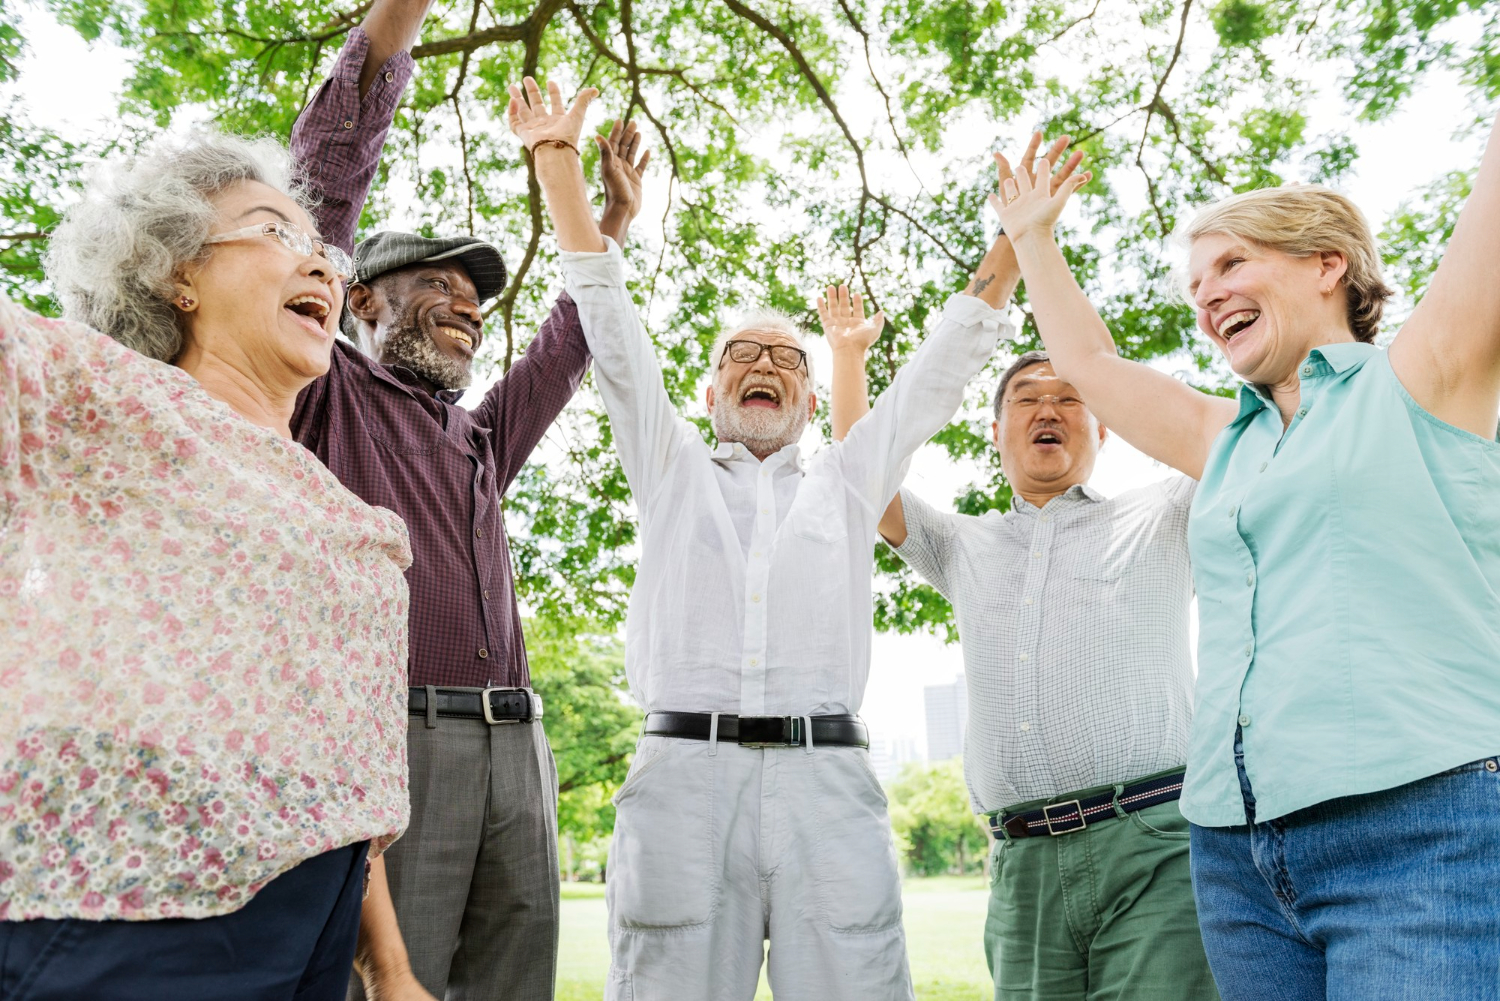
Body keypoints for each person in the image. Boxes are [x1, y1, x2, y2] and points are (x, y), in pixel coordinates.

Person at [507, 73, 1027, 1001]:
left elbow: (943, 368)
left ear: (810, 399)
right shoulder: (668, 466)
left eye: (787, 358)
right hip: (682, 786)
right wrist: (557, 161)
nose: (765, 364)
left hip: (828, 791)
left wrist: (1016, 241)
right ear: (709, 394)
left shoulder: (846, 479)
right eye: (740, 355)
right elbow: (611, 325)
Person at [995, 113, 1500, 1000]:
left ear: (1326, 264)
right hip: (1234, 852)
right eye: (1197, 284)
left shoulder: (1425, 378)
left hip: (1421, 827)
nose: (1206, 295)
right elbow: (1086, 357)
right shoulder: (1221, 435)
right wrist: (1032, 235)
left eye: (1231, 264)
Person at [0, 129, 412, 999]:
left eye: (327, 254)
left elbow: (335, 781)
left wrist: (391, 966)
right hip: (133, 911)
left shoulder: (344, 511)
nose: (324, 270)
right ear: (176, 274)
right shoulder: (105, 395)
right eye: (276, 232)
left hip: (314, 927)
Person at [285, 13, 648, 999]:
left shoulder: (483, 438)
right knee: (395, 982)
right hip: (398, 742)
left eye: (477, 301)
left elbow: (569, 340)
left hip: (518, 749)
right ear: (360, 301)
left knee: (514, 978)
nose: (466, 306)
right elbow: (320, 198)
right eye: (438, 284)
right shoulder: (326, 390)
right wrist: (393, 29)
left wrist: (609, 218)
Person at [828, 145, 1216, 997]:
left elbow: (1124, 386)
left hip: (1152, 844)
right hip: (1023, 865)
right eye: (1026, 400)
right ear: (996, 433)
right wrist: (849, 359)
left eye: (1069, 397)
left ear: (1104, 425)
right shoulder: (962, 541)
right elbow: (862, 472)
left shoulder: (1166, 511)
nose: (1049, 407)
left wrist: (1035, 250)